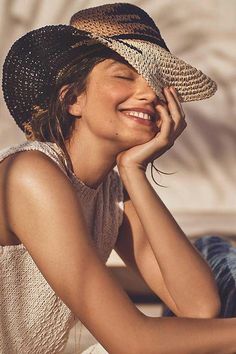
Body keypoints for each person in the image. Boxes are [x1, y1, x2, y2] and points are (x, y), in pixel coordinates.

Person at [1, 3, 236, 354]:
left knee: (215, 254)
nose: (150, 93)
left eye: (158, 83)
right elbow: (132, 341)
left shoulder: (112, 191)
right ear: (72, 99)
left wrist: (133, 171)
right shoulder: (29, 174)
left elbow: (200, 307)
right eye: (125, 75)